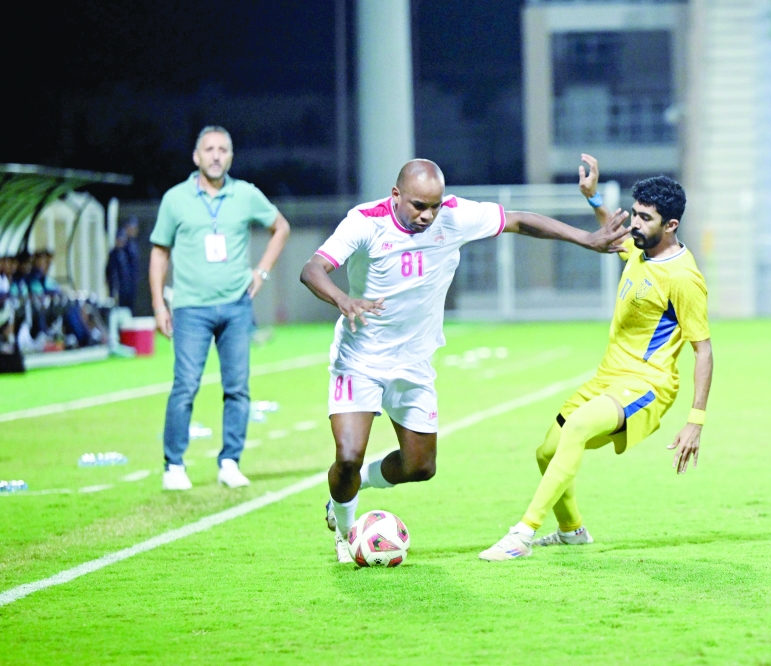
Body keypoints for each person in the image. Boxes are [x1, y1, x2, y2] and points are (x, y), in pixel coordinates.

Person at [299, 158, 630, 563]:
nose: (428, 215)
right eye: (419, 205)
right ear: (396, 196)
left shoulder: (454, 216)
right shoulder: (364, 222)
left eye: (434, 205)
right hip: (360, 358)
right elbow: (312, 269)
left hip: (414, 364)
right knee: (348, 455)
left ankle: (357, 486)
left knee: (420, 467)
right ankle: (347, 530)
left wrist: (587, 239)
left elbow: (520, 221)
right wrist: (343, 299)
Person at [479, 154, 714, 561]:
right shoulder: (642, 249)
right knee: (546, 452)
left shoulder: (683, 278)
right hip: (608, 379)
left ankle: (522, 534)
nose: (634, 224)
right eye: (634, 214)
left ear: (671, 226)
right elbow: (615, 236)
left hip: (647, 385)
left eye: (644, 218)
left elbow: (704, 348)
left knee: (577, 428)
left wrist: (695, 420)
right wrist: (592, 200)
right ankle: (572, 531)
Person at [150, 125, 291, 491]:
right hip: (190, 307)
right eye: (209, 149)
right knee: (185, 386)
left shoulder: (244, 194)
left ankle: (230, 461)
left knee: (238, 388)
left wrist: (261, 271)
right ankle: (174, 465)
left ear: (230, 156)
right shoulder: (175, 199)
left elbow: (281, 227)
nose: (216, 155)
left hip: (235, 306)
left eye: (223, 149)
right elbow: (159, 251)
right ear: (196, 157)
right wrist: (158, 304)